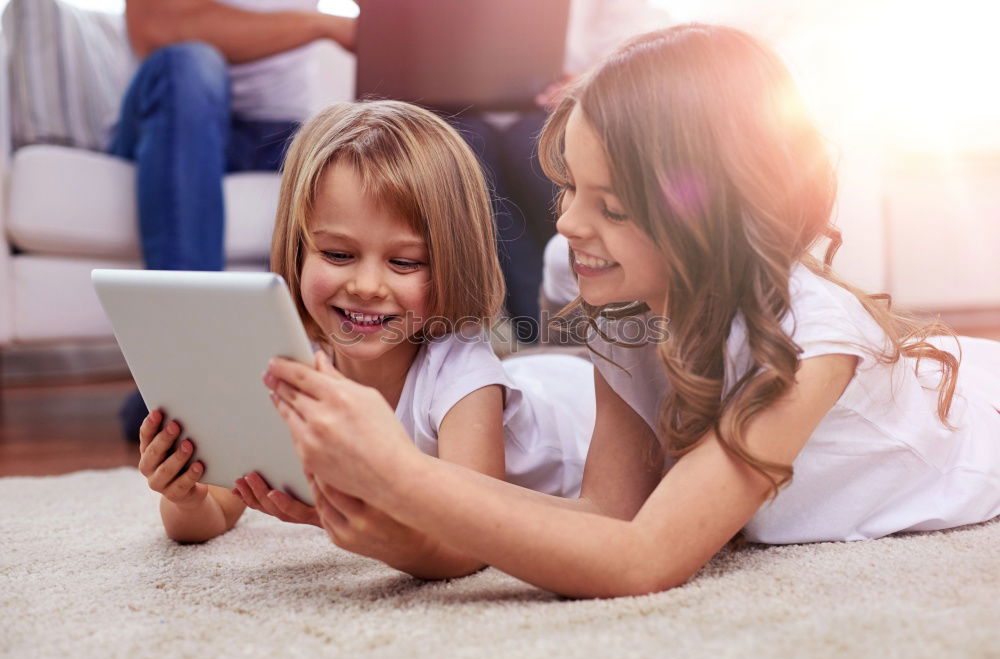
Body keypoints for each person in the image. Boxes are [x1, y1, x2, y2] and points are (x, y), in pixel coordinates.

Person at [264, 25, 1000, 599]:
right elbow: (609, 518)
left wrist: (401, 477)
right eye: (569, 188)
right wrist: (399, 518)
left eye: (610, 206)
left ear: (704, 216)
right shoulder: (617, 299)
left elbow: (646, 557)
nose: (572, 225)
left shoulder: (813, 344)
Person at [135, 100, 595, 580]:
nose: (367, 286)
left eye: (404, 263)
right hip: (534, 376)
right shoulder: (295, 366)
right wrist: (184, 496)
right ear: (297, 247)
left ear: (452, 264)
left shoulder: (463, 375)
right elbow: (218, 509)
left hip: (578, 412)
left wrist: (371, 538)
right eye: (337, 254)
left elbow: (470, 545)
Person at [111, 0, 355, 442]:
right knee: (189, 63)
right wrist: (322, 24)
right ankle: (182, 375)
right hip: (171, 116)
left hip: (277, 131)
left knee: (341, 142)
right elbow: (156, 27)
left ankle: (292, 376)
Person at [448, 0, 670, 345]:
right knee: (468, 155)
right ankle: (539, 334)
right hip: (465, 109)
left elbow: (651, 39)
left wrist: (598, 76)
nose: (567, 223)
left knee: (526, 147)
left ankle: (555, 331)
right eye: (570, 189)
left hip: (561, 103)